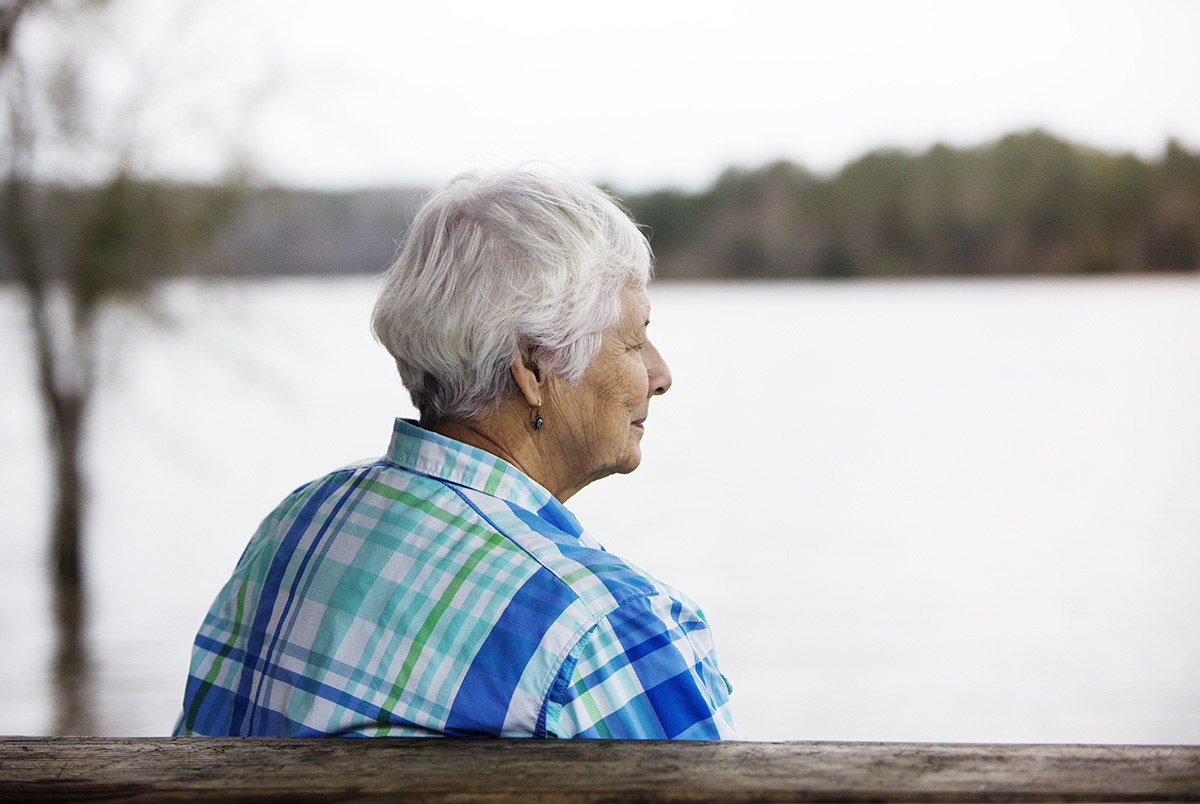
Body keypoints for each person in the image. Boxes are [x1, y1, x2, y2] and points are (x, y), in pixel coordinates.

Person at [174, 169, 742, 739]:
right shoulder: (606, 630)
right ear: (534, 367)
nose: (660, 374)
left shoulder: (296, 526)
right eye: (634, 339)